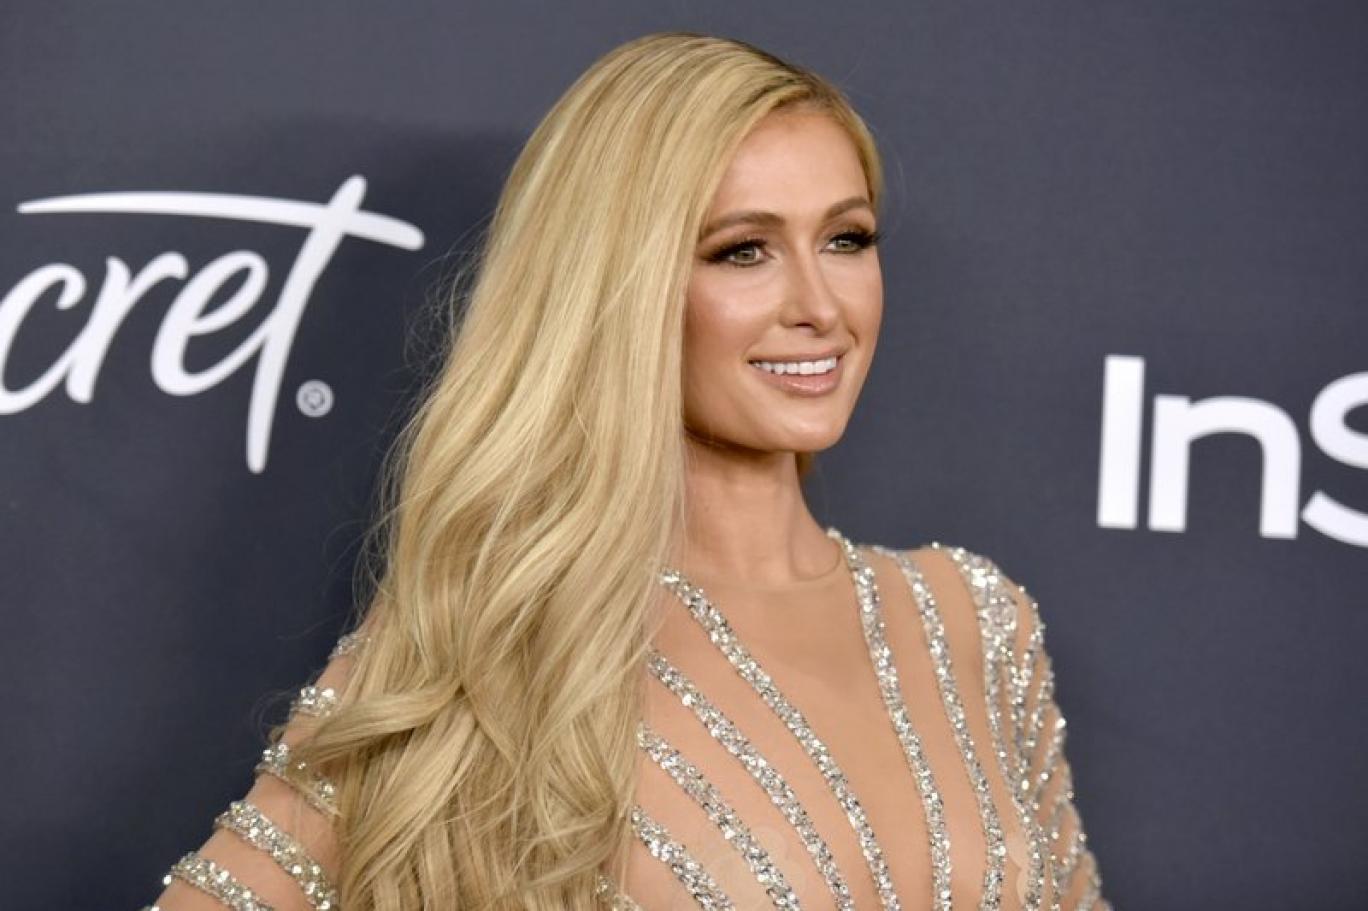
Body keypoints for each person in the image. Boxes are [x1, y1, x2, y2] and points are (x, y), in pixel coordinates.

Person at [143, 30, 1110, 911]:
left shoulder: (973, 616)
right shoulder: (493, 637)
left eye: (845, 239)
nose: (820, 304)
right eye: (743, 251)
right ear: (621, 285)